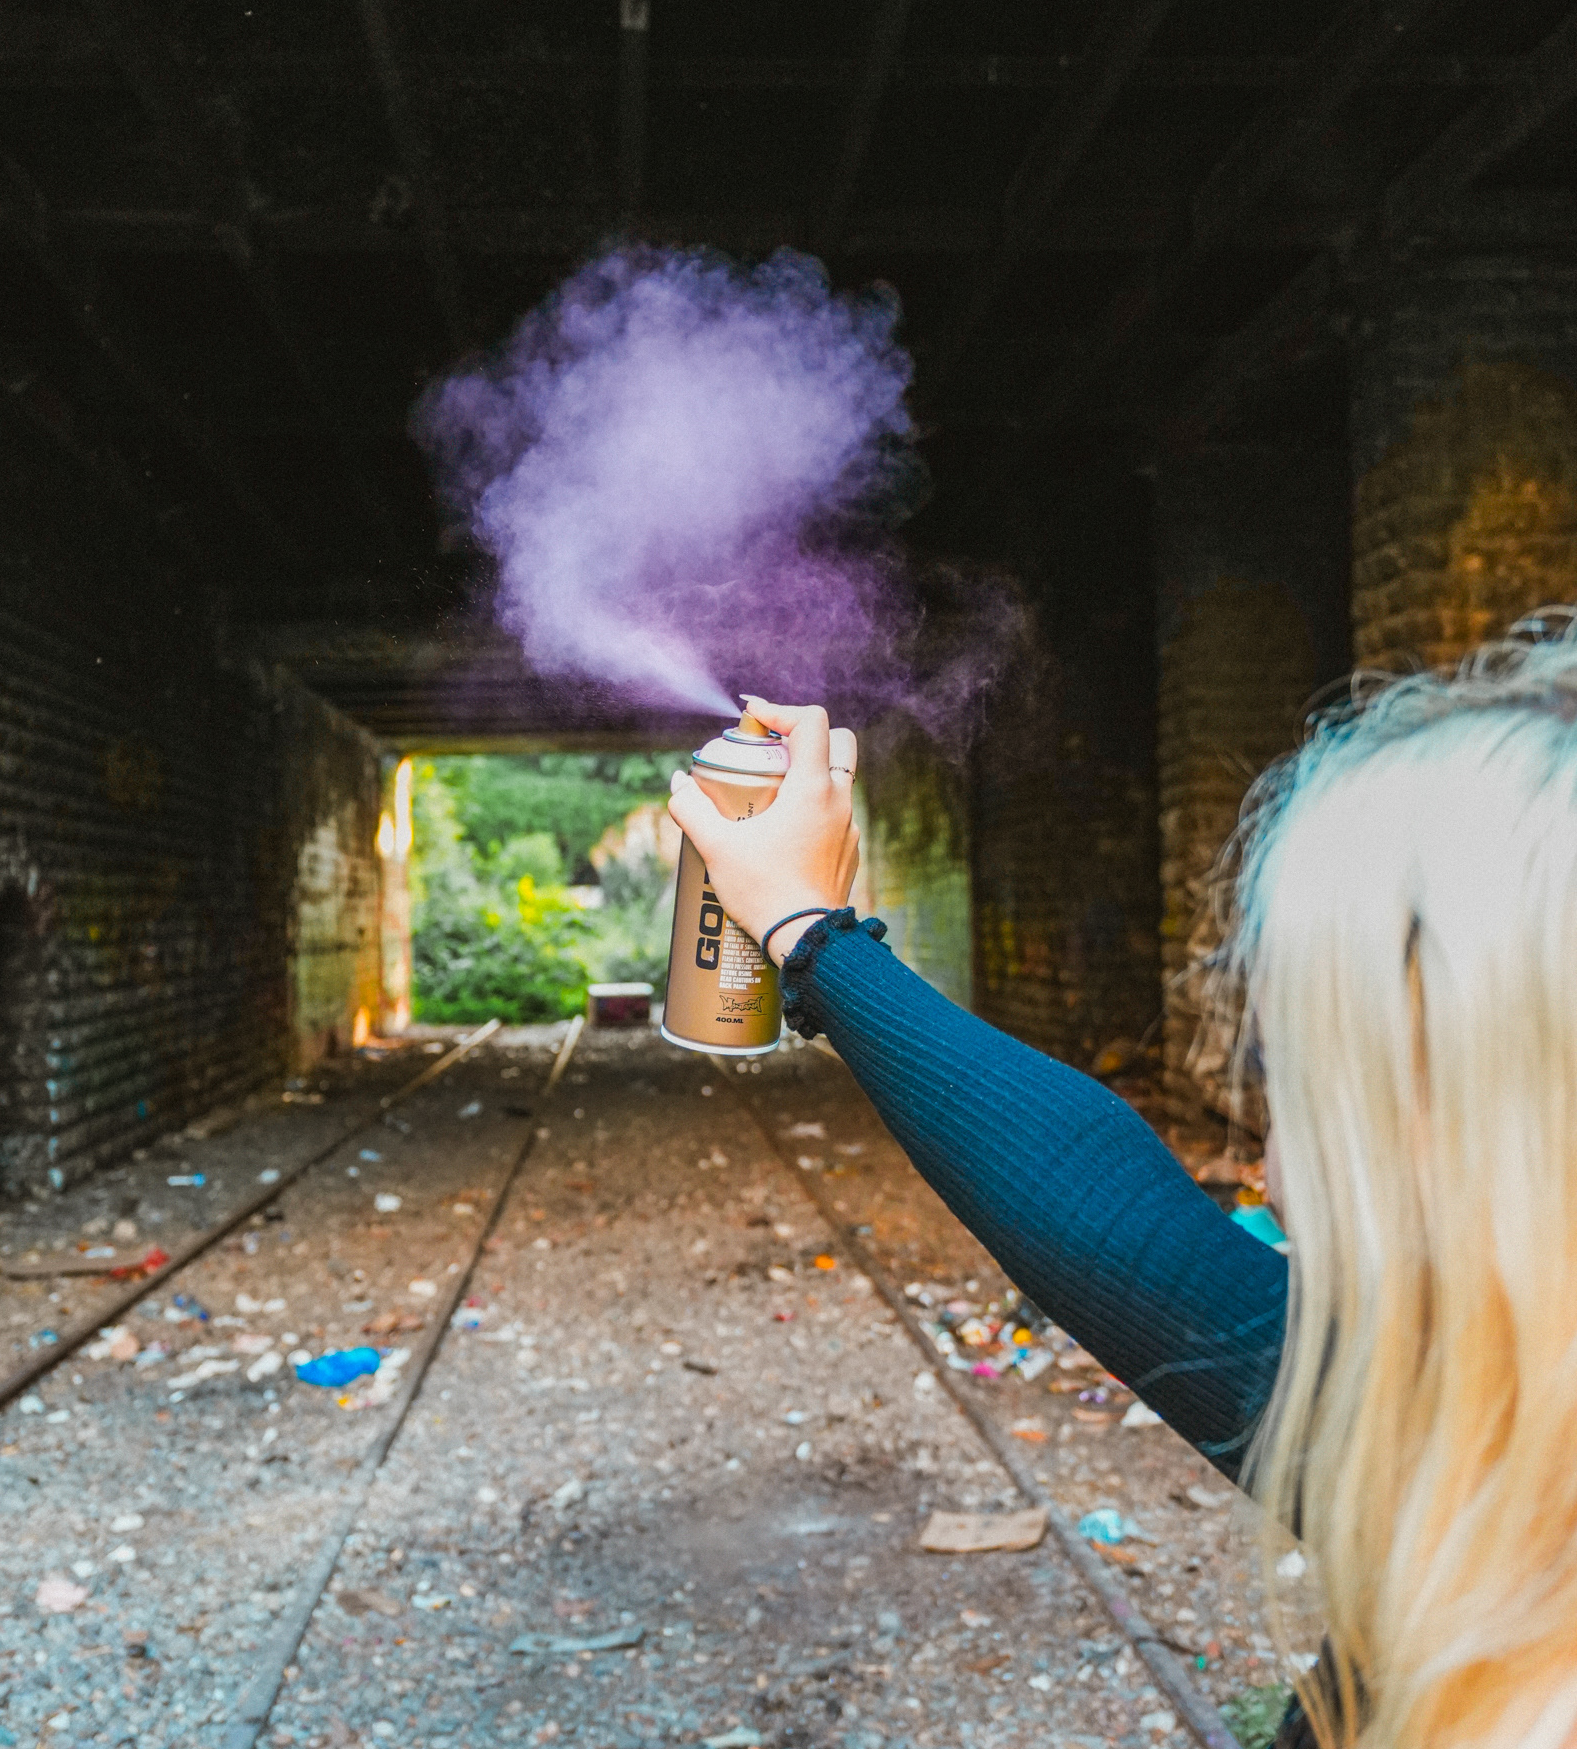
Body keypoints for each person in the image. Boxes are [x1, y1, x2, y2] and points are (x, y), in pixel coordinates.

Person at [668, 635, 1577, 1749]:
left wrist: (812, 940)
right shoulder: (1500, 1438)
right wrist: (813, 935)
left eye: (1305, 1075)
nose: (1272, 1163)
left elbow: (1130, 1235)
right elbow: (1128, 1232)